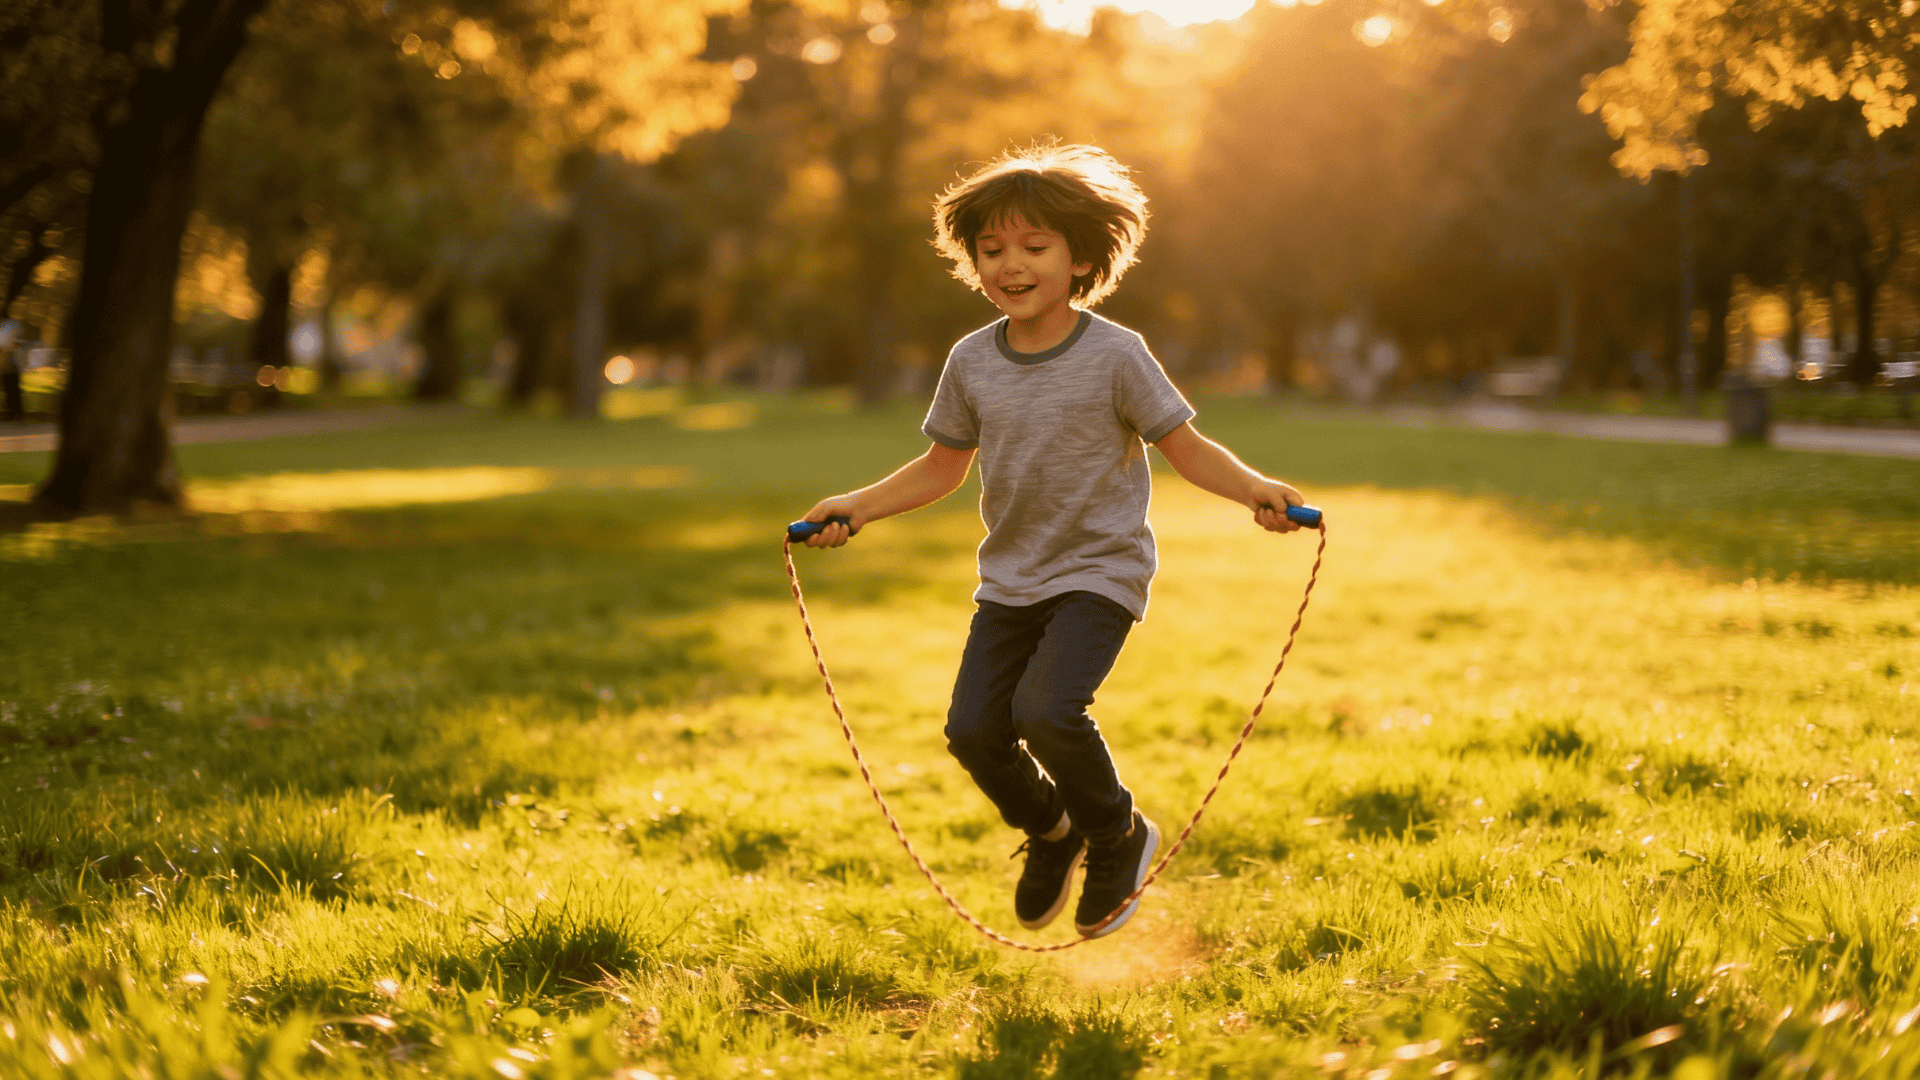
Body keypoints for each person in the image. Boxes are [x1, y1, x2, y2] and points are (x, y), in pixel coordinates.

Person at [798, 142, 1309, 939]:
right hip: (1010, 581)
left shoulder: (1116, 354)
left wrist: (1256, 490)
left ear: (1079, 259)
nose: (1012, 264)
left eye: (1034, 247)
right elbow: (941, 468)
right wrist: (857, 506)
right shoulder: (971, 361)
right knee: (972, 730)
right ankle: (1052, 830)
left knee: (1046, 709)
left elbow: (1186, 448)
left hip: (1099, 573)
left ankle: (1116, 832)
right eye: (992, 249)